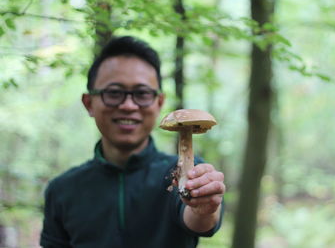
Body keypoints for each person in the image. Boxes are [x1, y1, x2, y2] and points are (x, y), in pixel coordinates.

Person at [40, 36, 225, 248]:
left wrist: (205, 206)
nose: (128, 105)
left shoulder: (189, 172)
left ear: (159, 102)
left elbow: (200, 220)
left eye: (142, 93)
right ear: (89, 103)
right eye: (114, 93)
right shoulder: (62, 190)